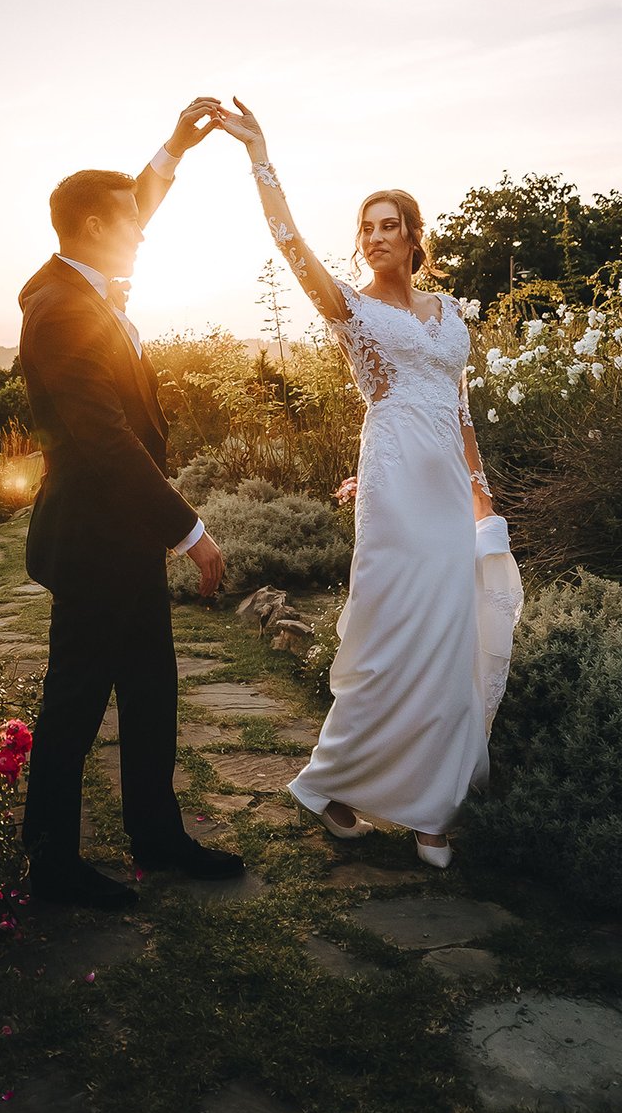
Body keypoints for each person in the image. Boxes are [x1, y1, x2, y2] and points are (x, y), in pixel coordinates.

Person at [212, 98, 504, 868]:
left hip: (446, 484)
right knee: (391, 634)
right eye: (366, 227)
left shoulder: (446, 313)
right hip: (394, 480)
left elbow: (461, 407)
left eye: (388, 225)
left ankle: (429, 809)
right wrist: (259, 154)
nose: (375, 237)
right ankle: (338, 782)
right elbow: (289, 242)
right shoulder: (353, 309)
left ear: (413, 235)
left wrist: (483, 495)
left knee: (447, 637)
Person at [17, 99, 243, 908]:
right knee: (75, 703)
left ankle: (158, 835)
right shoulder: (61, 311)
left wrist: (176, 148)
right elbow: (108, 440)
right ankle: (51, 866)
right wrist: (191, 531)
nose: (142, 232)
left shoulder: (82, 278)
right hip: (92, 541)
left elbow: (135, 205)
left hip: (124, 539)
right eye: (126, 224)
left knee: (151, 691)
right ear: (86, 226)